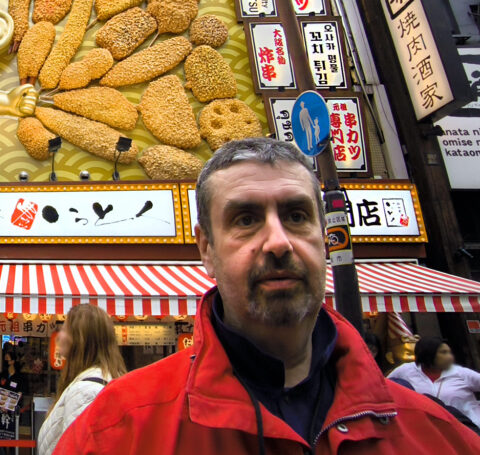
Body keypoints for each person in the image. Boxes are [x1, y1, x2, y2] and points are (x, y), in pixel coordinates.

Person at [53, 137, 480, 454]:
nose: (278, 242)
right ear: (206, 247)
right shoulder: (118, 430)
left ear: (324, 236)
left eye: (296, 216)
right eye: (246, 219)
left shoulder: (436, 434)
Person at [36, 304, 127, 455]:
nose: (59, 336)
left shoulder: (85, 391)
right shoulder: (103, 381)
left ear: (80, 339)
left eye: (65, 329)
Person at [388, 337, 480, 428]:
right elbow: (384, 387)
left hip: (469, 428)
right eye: (443, 352)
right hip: (431, 430)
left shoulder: (461, 373)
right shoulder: (405, 370)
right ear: (428, 355)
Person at [0, 347, 28, 455]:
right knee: (1, 431)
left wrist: (10, 405)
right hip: (1, 408)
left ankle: (13, 452)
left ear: (13, 361)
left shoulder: (20, 377)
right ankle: (2, 452)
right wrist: (2, 404)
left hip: (14, 409)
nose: (6, 362)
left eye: (8, 359)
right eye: (5, 360)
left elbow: (20, 392)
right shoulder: (2, 375)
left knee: (12, 432)